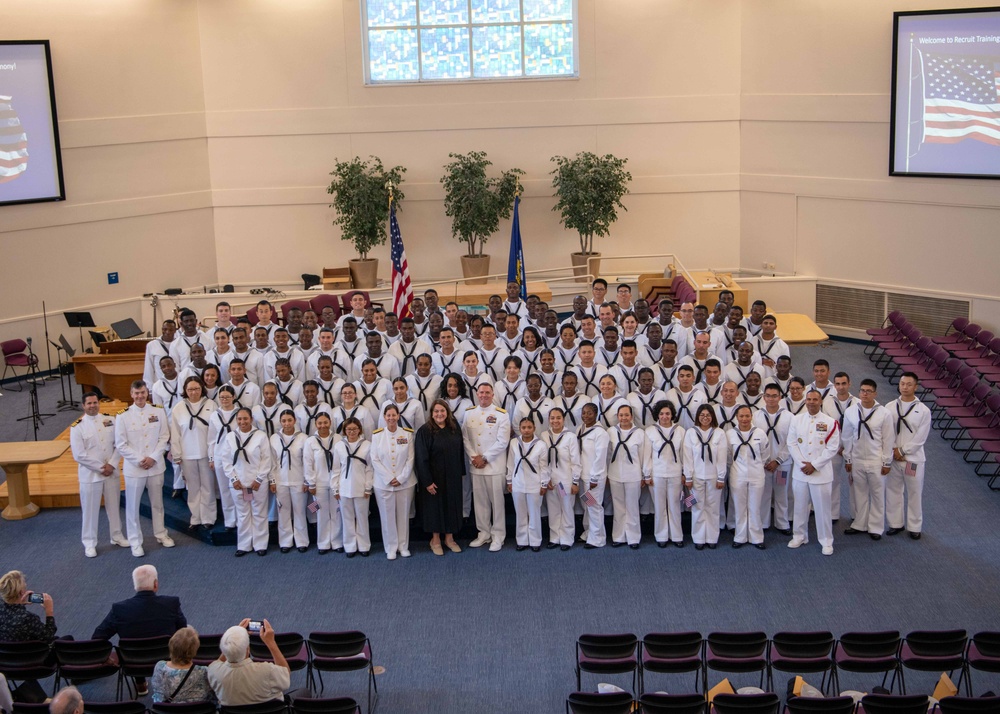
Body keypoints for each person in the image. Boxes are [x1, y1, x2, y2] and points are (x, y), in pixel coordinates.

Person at [92, 564, 186, 696]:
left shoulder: (119, 609)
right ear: (155, 584)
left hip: (133, 663)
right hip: (167, 659)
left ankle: (140, 685)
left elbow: (98, 637)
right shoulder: (171, 604)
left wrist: (104, 657)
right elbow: (182, 631)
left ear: (135, 585)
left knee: (135, 640)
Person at [115, 380, 173, 557]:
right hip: (135, 468)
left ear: (147, 393)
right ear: (131, 394)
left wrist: (153, 458)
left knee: (157, 503)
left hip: (155, 466)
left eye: (143, 393)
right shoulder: (123, 416)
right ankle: (135, 541)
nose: (140, 396)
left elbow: (164, 437)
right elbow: (121, 444)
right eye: (136, 393)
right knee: (133, 506)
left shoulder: (158, 411)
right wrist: (141, 460)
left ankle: (161, 533)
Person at [70, 392, 128, 558]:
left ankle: (117, 536)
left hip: (111, 472)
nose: (93, 406)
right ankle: (89, 543)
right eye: (89, 403)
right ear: (83, 405)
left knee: (114, 506)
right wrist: (101, 467)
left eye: (95, 403)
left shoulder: (110, 420)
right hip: (91, 475)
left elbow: (119, 445)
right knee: (90, 510)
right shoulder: (77, 427)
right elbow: (79, 455)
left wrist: (112, 464)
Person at [787, 390, 841, 556]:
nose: (811, 402)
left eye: (815, 399)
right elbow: (791, 443)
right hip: (801, 471)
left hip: (821, 473)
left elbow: (833, 448)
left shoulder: (830, 422)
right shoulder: (797, 420)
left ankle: (826, 541)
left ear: (820, 401)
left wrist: (815, 465)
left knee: (823, 509)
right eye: (809, 399)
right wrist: (802, 463)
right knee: (800, 507)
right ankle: (799, 536)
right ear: (805, 401)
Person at [842, 379, 894, 540]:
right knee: (859, 493)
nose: (865, 394)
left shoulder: (884, 413)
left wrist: (886, 462)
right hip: (857, 459)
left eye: (869, 391)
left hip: (875, 460)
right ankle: (860, 523)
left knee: (877, 495)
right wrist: (848, 459)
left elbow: (888, 439)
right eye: (862, 390)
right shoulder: (851, 411)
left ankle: (876, 528)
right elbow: (847, 436)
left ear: (875, 393)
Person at [463, 383, 511, 552]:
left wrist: (484, 458)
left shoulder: (501, 415)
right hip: (476, 466)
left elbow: (503, 441)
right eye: (481, 392)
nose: (484, 395)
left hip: (494, 466)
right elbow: (465, 438)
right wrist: (473, 457)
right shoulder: (469, 413)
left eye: (487, 393)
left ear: (492, 395)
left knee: (497, 504)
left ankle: (498, 536)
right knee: (480, 502)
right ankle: (483, 533)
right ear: (477, 394)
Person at [415, 399, 466, 556]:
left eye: (442, 411)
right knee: (435, 508)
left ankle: (449, 539)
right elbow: (421, 458)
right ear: (431, 414)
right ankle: (435, 540)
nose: (439, 414)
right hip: (433, 478)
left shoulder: (454, 427)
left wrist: (461, 473)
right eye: (436, 411)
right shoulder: (425, 431)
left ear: (447, 412)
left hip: (453, 476)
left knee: (451, 505)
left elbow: (460, 451)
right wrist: (427, 481)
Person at [884, 372, 931, 539]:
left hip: (913, 460)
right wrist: (893, 450)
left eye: (909, 384)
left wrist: (902, 451)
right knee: (893, 490)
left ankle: (914, 526)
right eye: (902, 383)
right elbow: (885, 432)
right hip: (893, 456)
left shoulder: (923, 410)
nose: (905, 387)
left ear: (915, 387)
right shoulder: (889, 407)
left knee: (914, 492)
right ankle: (895, 524)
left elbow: (921, 438)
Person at [170, 377, 218, 532]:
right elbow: (175, 434)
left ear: (202, 388)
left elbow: (216, 432)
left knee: (208, 487)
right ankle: (196, 517)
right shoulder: (179, 408)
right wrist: (177, 454)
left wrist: (213, 455)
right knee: (193, 487)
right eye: (190, 389)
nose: (193, 392)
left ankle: (208, 518)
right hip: (187, 454)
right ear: (185, 390)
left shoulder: (211, 405)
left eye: (196, 388)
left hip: (206, 453)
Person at [224, 408, 272, 556]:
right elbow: (226, 460)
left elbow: (266, 459)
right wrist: (233, 479)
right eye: (239, 419)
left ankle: (260, 545)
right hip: (238, 483)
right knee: (243, 514)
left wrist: (259, 479)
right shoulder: (231, 437)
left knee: (259, 513)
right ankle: (244, 545)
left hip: (257, 482)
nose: (242, 422)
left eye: (245, 419)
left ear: (251, 419)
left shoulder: (260, 436)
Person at [371, 404, 416, 560]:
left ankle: (403, 546)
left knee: (403, 515)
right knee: (387, 516)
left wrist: (401, 478)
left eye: (393, 415)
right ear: (384, 417)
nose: (391, 418)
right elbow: (375, 460)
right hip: (383, 484)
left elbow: (410, 459)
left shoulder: (407, 434)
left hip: (405, 482)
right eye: (388, 415)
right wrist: (389, 478)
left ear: (398, 416)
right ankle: (390, 547)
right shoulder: (377, 436)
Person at [207, 620, 290, 706]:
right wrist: (271, 642)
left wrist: (232, 641)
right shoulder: (267, 671)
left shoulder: (213, 671)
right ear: (248, 650)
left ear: (223, 650)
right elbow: (286, 674)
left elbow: (218, 662)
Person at [683, 404, 727, 550]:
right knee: (697, 507)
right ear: (697, 417)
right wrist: (688, 477)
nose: (705, 418)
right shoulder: (691, 433)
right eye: (702, 415)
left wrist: (721, 478)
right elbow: (687, 457)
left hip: (714, 477)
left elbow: (722, 458)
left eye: (708, 415)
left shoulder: (719, 433)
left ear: (712, 417)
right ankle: (699, 538)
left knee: (713, 508)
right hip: (696, 478)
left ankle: (712, 537)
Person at [645, 401, 686, 547]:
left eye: (667, 413)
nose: (664, 416)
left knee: (675, 505)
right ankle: (661, 536)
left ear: (672, 414)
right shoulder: (650, 431)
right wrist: (647, 475)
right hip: (657, 474)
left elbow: (684, 455)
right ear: (657, 415)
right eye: (661, 414)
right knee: (659, 506)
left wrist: (685, 474)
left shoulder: (680, 431)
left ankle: (676, 536)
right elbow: (647, 455)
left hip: (675, 473)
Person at [728, 406, 769, 549]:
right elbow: (728, 456)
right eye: (741, 416)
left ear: (751, 417)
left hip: (756, 475)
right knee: (739, 507)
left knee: (754, 506)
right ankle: (740, 536)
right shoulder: (730, 434)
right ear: (736, 417)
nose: (744, 419)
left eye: (747, 416)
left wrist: (757, 466)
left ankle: (756, 537)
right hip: (737, 475)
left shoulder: (760, 433)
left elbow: (765, 454)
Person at [607, 405, 647, 549]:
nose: (624, 418)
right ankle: (618, 536)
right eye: (621, 415)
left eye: (626, 415)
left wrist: (644, 474)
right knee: (618, 507)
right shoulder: (611, 432)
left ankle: (633, 537)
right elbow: (608, 455)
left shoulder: (639, 433)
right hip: (615, 474)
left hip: (633, 474)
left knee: (632, 507)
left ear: (631, 416)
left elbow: (643, 456)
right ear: (617, 416)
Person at [268, 410, 308, 553]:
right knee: (283, 513)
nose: (287, 424)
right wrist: (272, 481)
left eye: (289, 420)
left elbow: (307, 462)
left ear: (294, 421)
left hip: (298, 481)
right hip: (281, 481)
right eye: (284, 421)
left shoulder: (303, 438)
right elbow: (271, 462)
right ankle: (285, 541)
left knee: (300, 512)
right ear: (280, 422)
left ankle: (302, 541)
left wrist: (306, 481)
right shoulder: (274, 438)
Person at [333, 417, 374, 558]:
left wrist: (368, 487)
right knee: (347, 518)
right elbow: (336, 469)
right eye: (349, 429)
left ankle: (364, 545)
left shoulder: (367, 445)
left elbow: (370, 468)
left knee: (362, 518)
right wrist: (335, 488)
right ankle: (349, 545)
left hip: (361, 487)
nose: (352, 432)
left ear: (360, 430)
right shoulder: (339, 446)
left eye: (354, 429)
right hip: (344, 488)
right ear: (344, 431)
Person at [303, 413, 343, 554]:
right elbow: (308, 464)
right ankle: (323, 543)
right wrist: (311, 483)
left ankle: (337, 542)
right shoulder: (310, 441)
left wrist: (339, 483)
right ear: (316, 424)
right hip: (318, 484)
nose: (323, 426)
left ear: (330, 422)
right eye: (320, 423)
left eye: (325, 422)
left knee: (337, 513)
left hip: (335, 484)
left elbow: (341, 462)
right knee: (321, 513)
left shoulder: (338, 439)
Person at [507, 417, 549, 552]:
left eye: (529, 427)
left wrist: (544, 484)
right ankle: (522, 540)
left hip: (534, 484)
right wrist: (509, 480)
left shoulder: (541, 445)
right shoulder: (514, 442)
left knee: (534, 513)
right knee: (520, 513)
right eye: (523, 427)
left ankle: (535, 540)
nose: (526, 430)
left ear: (534, 429)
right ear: (519, 429)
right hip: (518, 483)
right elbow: (510, 464)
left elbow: (544, 467)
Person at [542, 407, 581, 550]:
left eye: (558, 418)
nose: (555, 421)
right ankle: (554, 537)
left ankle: (567, 538)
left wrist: (575, 481)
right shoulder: (544, 436)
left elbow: (575, 461)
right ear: (549, 420)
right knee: (553, 510)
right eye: (552, 418)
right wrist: (546, 480)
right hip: (551, 481)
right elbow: (542, 461)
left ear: (563, 419)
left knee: (566, 509)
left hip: (565, 482)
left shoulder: (570, 437)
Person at [151, 627, 214, 704]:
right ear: (195, 650)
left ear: (171, 645)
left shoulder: (160, 667)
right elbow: (212, 697)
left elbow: (158, 697)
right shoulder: (204, 671)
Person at [0, 570, 56, 642]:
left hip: (5, 650)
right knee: (67, 638)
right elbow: (49, 636)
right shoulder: (28, 618)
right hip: (28, 651)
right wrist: (49, 611)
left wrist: (20, 604)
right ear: (22, 592)